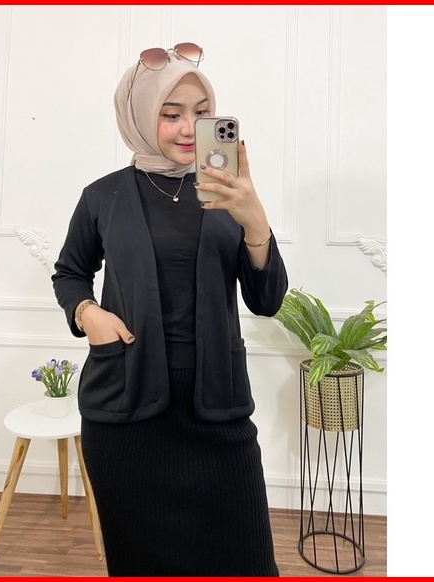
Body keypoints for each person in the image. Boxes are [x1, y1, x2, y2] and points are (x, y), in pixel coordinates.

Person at [52, 42, 288, 577]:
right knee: (142, 563)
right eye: (171, 113)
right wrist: (88, 313)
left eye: (202, 114)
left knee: (248, 563)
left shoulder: (230, 194)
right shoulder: (103, 197)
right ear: (139, 116)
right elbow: (69, 272)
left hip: (218, 410)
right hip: (127, 411)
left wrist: (255, 221)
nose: (188, 128)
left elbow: (267, 300)